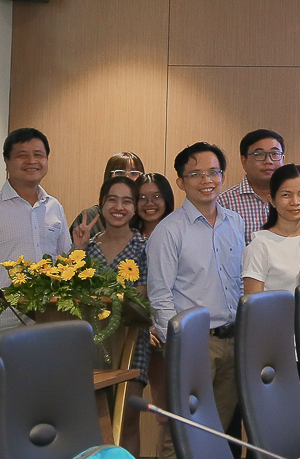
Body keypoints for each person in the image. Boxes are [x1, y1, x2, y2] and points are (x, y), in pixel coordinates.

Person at [146, 142, 244, 458]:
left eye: (213, 172)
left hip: (232, 341)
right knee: (181, 430)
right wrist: (177, 345)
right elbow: (159, 295)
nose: (207, 180)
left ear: (223, 176)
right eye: (196, 174)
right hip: (193, 343)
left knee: (217, 428)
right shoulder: (169, 231)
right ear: (181, 182)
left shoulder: (235, 222)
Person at [0, 128, 73, 349]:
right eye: (22, 155)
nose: (32, 161)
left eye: (38, 154)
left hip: (48, 328)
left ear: (47, 159)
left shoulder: (54, 208)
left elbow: (65, 265)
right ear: (7, 161)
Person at [80, 175, 152, 456]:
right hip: (92, 345)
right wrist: (78, 250)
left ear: (135, 208)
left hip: (131, 343)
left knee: (127, 418)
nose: (118, 206)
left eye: (126, 201)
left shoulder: (145, 247)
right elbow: (72, 291)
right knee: (94, 421)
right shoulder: (89, 246)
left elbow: (143, 299)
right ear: (101, 204)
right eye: (112, 199)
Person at [242, 165, 300, 294]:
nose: (295, 202)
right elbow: (253, 305)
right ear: (272, 200)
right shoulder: (260, 245)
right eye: (286, 195)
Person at [216, 129, 285, 243]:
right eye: (260, 154)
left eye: (274, 154)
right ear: (244, 161)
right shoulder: (223, 203)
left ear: (283, 159)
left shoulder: (295, 201)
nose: (268, 161)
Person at [70, 151, 146, 241]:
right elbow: (70, 251)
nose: (127, 177)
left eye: (133, 173)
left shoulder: (145, 215)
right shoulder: (90, 217)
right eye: (120, 172)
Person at [133, 172, 175, 239]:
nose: (149, 203)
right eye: (142, 197)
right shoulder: (128, 236)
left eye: (156, 196)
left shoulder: (178, 234)